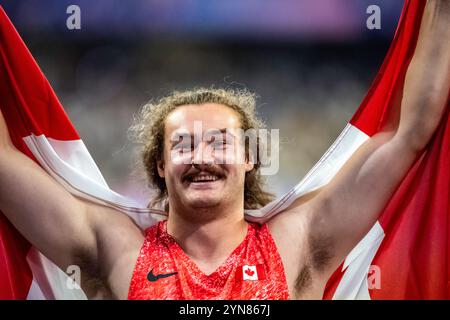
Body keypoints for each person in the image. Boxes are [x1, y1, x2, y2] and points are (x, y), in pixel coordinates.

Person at [0, 0, 449, 300]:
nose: (202, 157)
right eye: (183, 144)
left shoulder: (299, 241)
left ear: (250, 158)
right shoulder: (115, 247)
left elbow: (409, 131)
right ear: (160, 164)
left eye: (219, 142)